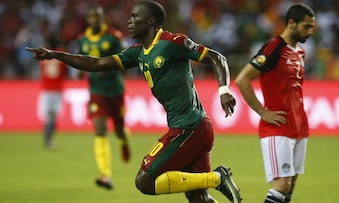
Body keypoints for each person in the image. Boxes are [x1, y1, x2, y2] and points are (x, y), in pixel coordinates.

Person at [26, 1, 241, 203]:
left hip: (189, 128)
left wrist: (223, 90)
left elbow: (217, 58)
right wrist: (55, 54)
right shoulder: (138, 53)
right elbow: (96, 63)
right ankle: (215, 179)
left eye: (134, 17)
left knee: (144, 181)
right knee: (198, 199)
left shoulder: (172, 42)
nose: (129, 21)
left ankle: (217, 178)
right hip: (195, 128)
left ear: (150, 21)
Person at [234, 3, 315, 203]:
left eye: (312, 27)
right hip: (277, 126)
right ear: (291, 23)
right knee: (282, 183)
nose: (310, 31)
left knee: (290, 185)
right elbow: (242, 79)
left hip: (298, 125)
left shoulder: (300, 52)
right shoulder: (273, 48)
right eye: (306, 26)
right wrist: (263, 112)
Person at [77, 7, 131, 190]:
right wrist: (79, 72)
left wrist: (107, 67)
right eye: (91, 15)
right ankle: (105, 175)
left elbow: (125, 61)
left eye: (97, 16)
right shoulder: (82, 40)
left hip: (114, 91)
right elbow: (80, 59)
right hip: (96, 92)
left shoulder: (113, 38)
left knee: (118, 130)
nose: (94, 19)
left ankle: (124, 140)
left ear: (103, 19)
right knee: (100, 129)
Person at [37, 33, 67, 149]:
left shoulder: (43, 55)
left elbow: (40, 63)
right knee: (53, 116)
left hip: (46, 89)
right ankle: (48, 140)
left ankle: (48, 140)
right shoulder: (61, 54)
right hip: (57, 90)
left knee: (49, 116)